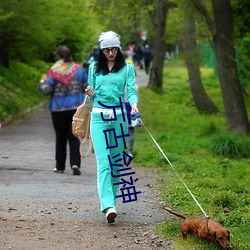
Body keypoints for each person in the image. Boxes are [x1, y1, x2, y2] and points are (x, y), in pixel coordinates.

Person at [85, 31, 138, 223]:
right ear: (101, 50)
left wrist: (133, 104)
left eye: (114, 49)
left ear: (119, 48)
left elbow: (131, 90)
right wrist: (90, 92)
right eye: (106, 50)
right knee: (104, 163)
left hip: (119, 118)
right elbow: (91, 97)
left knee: (116, 163)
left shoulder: (127, 68)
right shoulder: (93, 68)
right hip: (98, 117)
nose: (110, 53)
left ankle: (112, 202)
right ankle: (107, 205)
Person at [39, 45, 88, 175]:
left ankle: (60, 166)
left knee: (60, 138)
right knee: (74, 137)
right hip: (75, 109)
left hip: (58, 109)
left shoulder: (54, 71)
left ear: (58, 57)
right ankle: (75, 163)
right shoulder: (79, 70)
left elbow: (47, 90)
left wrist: (42, 83)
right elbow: (86, 87)